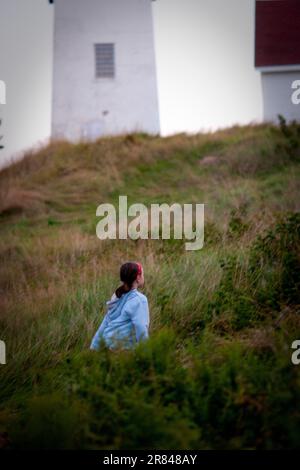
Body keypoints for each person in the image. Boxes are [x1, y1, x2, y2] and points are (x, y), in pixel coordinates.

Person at [90, 262, 149, 351]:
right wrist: (147, 352)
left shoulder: (117, 298)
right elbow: (141, 327)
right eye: (143, 274)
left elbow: (105, 323)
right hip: (122, 349)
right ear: (138, 277)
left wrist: (94, 347)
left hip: (105, 347)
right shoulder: (139, 300)